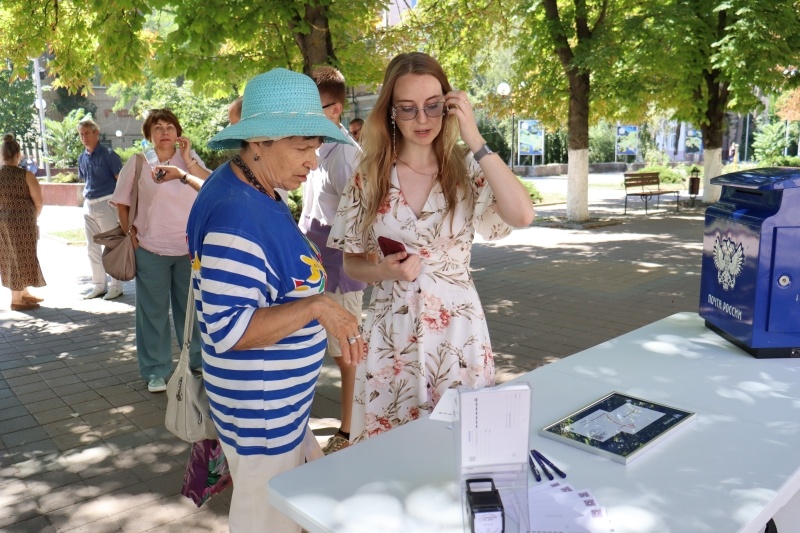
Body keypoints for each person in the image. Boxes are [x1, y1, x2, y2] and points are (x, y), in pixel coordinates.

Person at [187, 68, 363, 533]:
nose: (314, 160)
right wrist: (316, 307)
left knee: (301, 511)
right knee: (267, 523)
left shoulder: (253, 187)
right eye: (303, 147)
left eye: (317, 146)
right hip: (262, 412)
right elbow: (228, 329)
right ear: (260, 141)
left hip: (275, 408)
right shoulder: (235, 214)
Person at [328, 52, 535, 442]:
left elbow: (522, 215)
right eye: (407, 109)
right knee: (392, 451)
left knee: (462, 448)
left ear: (450, 105)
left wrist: (473, 136)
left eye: (433, 106)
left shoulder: (468, 168)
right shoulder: (369, 174)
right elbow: (352, 262)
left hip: (459, 332)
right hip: (393, 333)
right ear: (390, 111)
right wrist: (385, 271)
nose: (422, 120)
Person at [111, 109, 211, 393]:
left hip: (187, 250)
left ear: (178, 133)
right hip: (151, 250)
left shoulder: (190, 162)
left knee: (189, 312)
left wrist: (189, 161)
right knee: (152, 313)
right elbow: (122, 202)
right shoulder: (139, 162)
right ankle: (156, 370)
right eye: (157, 127)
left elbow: (210, 187)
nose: (164, 131)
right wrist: (130, 233)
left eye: (169, 126)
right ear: (149, 135)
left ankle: (196, 362)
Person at [299, 66, 365, 455]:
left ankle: (350, 428)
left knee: (346, 352)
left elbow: (360, 222)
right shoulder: (316, 146)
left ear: (336, 110)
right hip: (313, 261)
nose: (307, 116)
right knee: (319, 345)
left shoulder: (345, 156)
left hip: (339, 267)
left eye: (316, 108)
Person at [77, 118, 125, 300]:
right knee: (92, 247)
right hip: (88, 204)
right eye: (81, 134)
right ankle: (99, 285)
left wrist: (120, 207)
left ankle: (117, 285)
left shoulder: (109, 155)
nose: (84, 137)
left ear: (96, 133)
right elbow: (85, 180)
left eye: (87, 133)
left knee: (112, 246)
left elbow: (121, 181)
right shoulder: (82, 157)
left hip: (107, 203)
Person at [0, 134, 46, 311]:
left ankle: (24, 292)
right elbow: (39, 202)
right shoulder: (26, 175)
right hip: (23, 221)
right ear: (18, 154)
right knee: (22, 256)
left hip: (3, 221)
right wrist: (33, 217)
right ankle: (16, 299)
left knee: (10, 256)